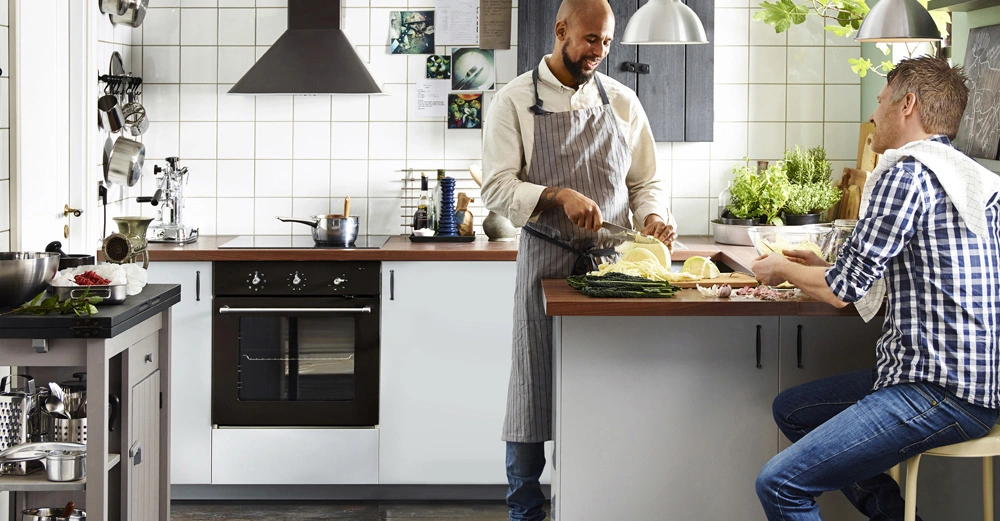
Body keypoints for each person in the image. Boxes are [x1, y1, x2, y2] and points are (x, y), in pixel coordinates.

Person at [751, 56, 1000, 521]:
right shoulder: (974, 180)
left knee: (780, 484)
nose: (873, 113)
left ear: (907, 105)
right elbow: (903, 269)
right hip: (979, 387)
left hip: (936, 390)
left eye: (881, 100)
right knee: (795, 409)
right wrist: (823, 266)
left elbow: (842, 290)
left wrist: (782, 268)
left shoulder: (907, 173)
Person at [481, 0, 675, 519]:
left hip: (615, 269)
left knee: (605, 386)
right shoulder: (513, 101)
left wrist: (653, 216)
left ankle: (595, 503)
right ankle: (525, 509)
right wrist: (557, 195)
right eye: (591, 39)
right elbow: (496, 188)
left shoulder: (623, 101)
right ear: (561, 30)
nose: (599, 51)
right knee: (531, 390)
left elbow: (645, 182)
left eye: (607, 42)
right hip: (546, 264)